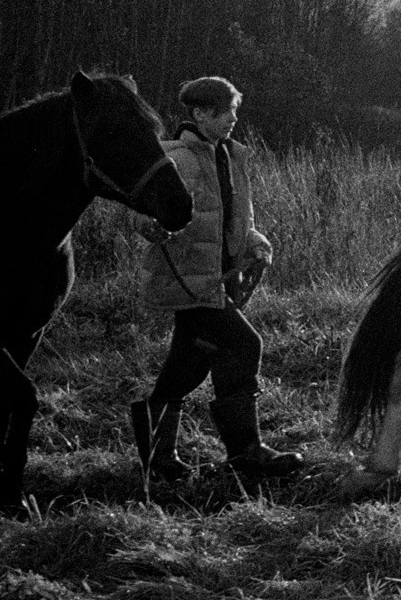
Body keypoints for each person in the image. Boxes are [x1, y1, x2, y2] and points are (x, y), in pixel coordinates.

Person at [129, 76, 303, 481]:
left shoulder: (231, 156)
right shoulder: (175, 157)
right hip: (189, 281)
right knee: (244, 344)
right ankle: (246, 453)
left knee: (187, 366)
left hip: (217, 280)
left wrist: (257, 244)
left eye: (235, 112)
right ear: (200, 114)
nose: (232, 120)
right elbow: (143, 210)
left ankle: (158, 458)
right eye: (224, 112)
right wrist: (150, 224)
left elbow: (240, 222)